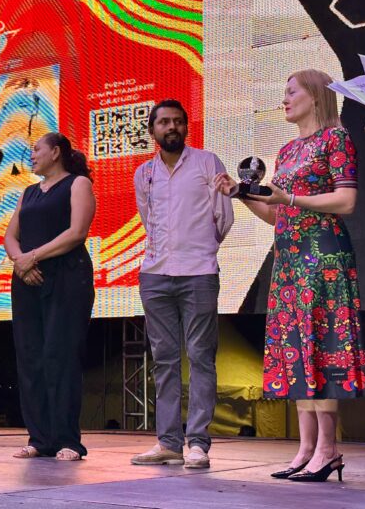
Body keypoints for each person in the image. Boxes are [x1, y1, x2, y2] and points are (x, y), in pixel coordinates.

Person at [215, 70, 365, 482]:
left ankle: (328, 448)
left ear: (315, 96)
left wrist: (292, 198)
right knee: (298, 349)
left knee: (323, 347)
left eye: (290, 92)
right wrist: (241, 194)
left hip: (323, 257)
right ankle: (306, 448)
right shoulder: (286, 151)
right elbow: (277, 214)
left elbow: (346, 200)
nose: (284, 100)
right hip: (289, 260)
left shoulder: (335, 139)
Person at [130, 99, 234, 469]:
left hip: (199, 272)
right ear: (153, 130)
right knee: (164, 360)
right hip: (155, 274)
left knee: (201, 356)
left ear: (186, 127)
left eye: (178, 121)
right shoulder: (144, 173)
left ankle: (198, 444)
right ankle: (169, 442)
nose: (171, 127)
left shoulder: (207, 162)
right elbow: (148, 218)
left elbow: (223, 217)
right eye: (164, 122)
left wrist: (200, 249)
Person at [3, 132, 96, 461]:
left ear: (56, 152)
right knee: (30, 357)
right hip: (27, 279)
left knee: (61, 356)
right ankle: (40, 438)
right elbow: (10, 236)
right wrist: (21, 262)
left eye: (36, 149)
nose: (31, 155)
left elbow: (76, 233)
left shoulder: (77, 184)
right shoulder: (28, 192)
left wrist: (32, 257)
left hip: (67, 277)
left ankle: (67, 440)